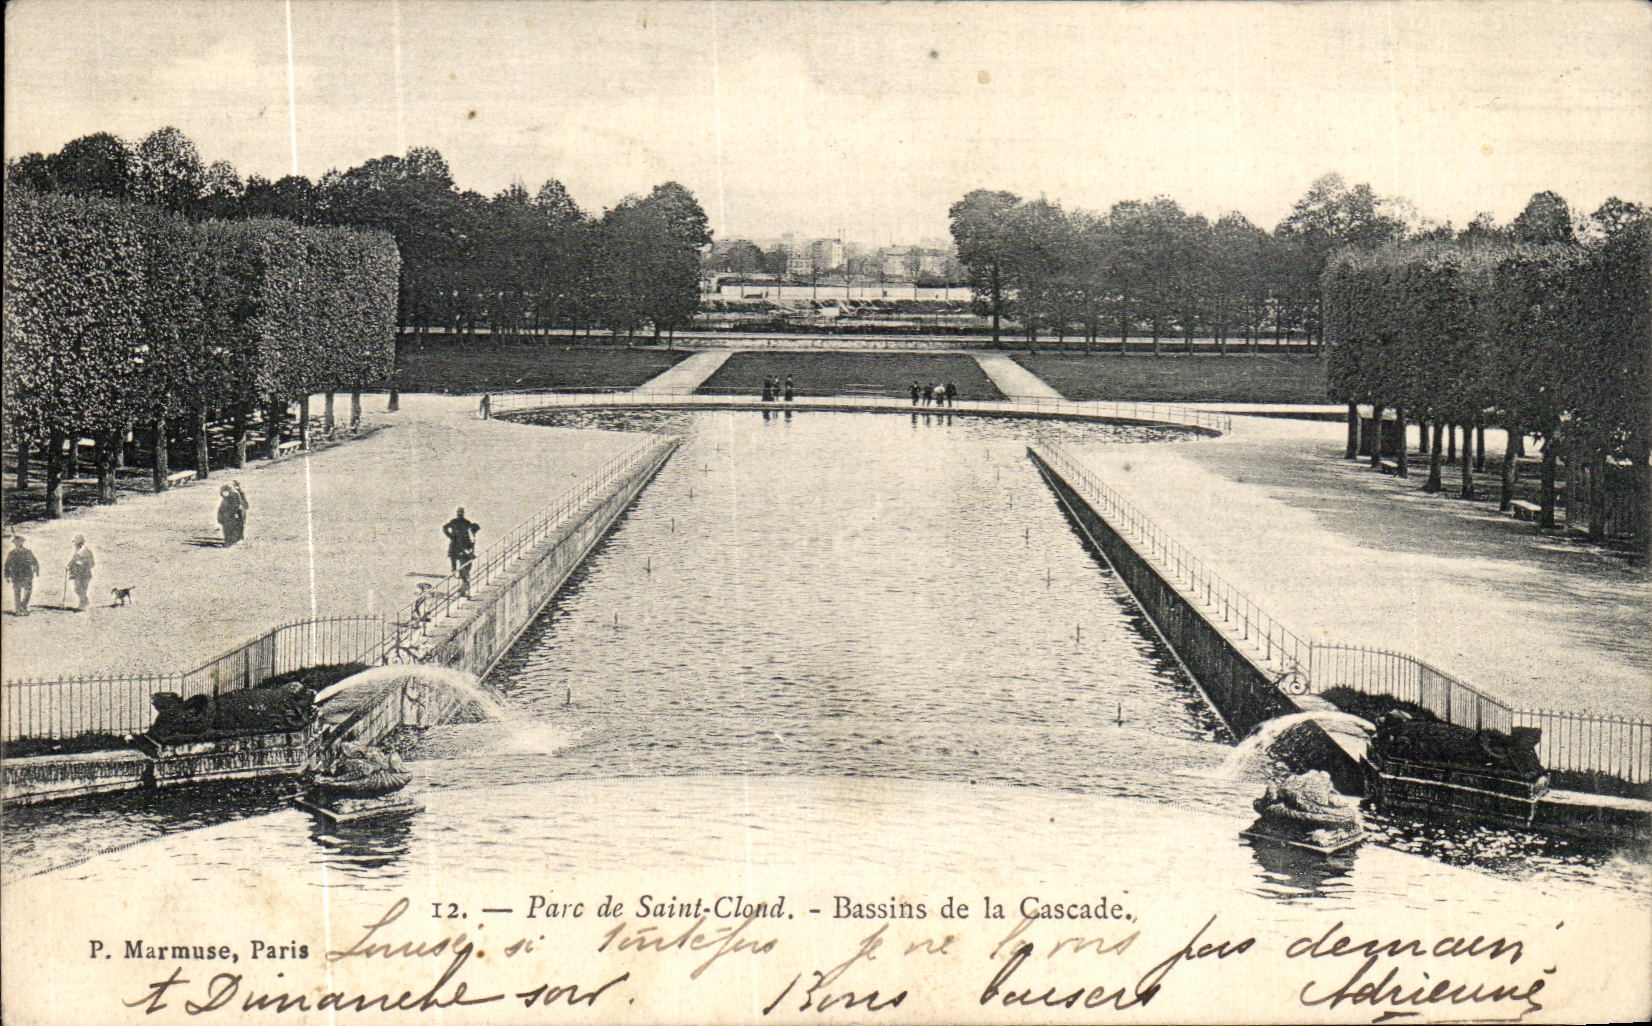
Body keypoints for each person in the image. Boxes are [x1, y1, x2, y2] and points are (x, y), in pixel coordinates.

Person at [443, 507, 481, 597]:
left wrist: (451, 536)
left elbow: (445, 528)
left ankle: (457, 575)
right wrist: (451, 536)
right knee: (461, 564)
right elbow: (445, 528)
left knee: (458, 562)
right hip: (460, 545)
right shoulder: (462, 522)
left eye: (460, 512)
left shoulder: (461, 522)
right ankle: (457, 575)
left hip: (459, 545)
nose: (460, 514)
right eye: (459, 512)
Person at [5, 535, 40, 616]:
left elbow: (34, 561)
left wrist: (36, 569)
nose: (18, 544)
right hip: (16, 575)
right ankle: (18, 610)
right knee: (17, 593)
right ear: (14, 543)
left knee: (28, 591)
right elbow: (7, 565)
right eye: (16, 542)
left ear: (22, 543)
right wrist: (7, 576)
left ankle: (23, 606)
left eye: (19, 542)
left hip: (27, 575)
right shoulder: (11, 553)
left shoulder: (28, 552)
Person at [66, 535, 95, 611]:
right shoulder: (77, 551)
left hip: (85, 574)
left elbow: (92, 563)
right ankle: (85, 602)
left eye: (75, 542)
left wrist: (82, 563)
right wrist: (68, 565)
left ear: (80, 542)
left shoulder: (87, 552)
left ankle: (82, 606)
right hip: (76, 573)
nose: (74, 544)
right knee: (77, 589)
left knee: (82, 589)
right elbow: (73, 560)